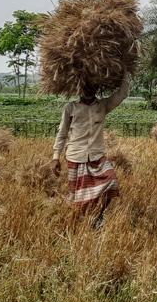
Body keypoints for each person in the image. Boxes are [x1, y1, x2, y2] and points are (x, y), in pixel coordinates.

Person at [50, 76, 130, 228]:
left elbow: (122, 94)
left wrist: (124, 72)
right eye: (85, 86)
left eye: (91, 86)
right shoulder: (70, 108)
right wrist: (55, 157)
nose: (88, 89)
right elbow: (62, 134)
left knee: (111, 181)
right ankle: (81, 223)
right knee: (78, 195)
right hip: (75, 156)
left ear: (96, 88)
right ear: (80, 88)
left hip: (97, 156)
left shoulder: (103, 105)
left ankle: (98, 215)